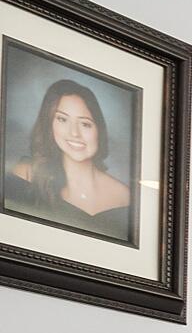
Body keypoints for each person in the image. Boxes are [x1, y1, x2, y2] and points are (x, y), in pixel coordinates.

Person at [6, 78, 132, 238]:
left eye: (85, 124)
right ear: (49, 124)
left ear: (98, 129)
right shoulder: (26, 175)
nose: (74, 133)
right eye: (62, 119)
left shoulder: (125, 197)